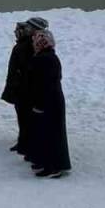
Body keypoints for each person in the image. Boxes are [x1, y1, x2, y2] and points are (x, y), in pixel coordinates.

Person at [28, 29, 70, 178]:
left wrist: (39, 104)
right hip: (52, 100)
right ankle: (46, 162)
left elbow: (42, 84)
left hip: (47, 102)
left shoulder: (42, 59)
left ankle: (52, 166)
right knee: (49, 133)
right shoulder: (50, 57)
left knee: (48, 134)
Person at [1, 20, 38, 155]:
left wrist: (17, 84)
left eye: (18, 31)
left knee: (25, 118)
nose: (16, 34)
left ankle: (25, 142)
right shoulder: (24, 45)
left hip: (22, 89)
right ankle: (23, 141)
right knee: (22, 117)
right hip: (19, 87)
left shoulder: (25, 46)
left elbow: (23, 69)